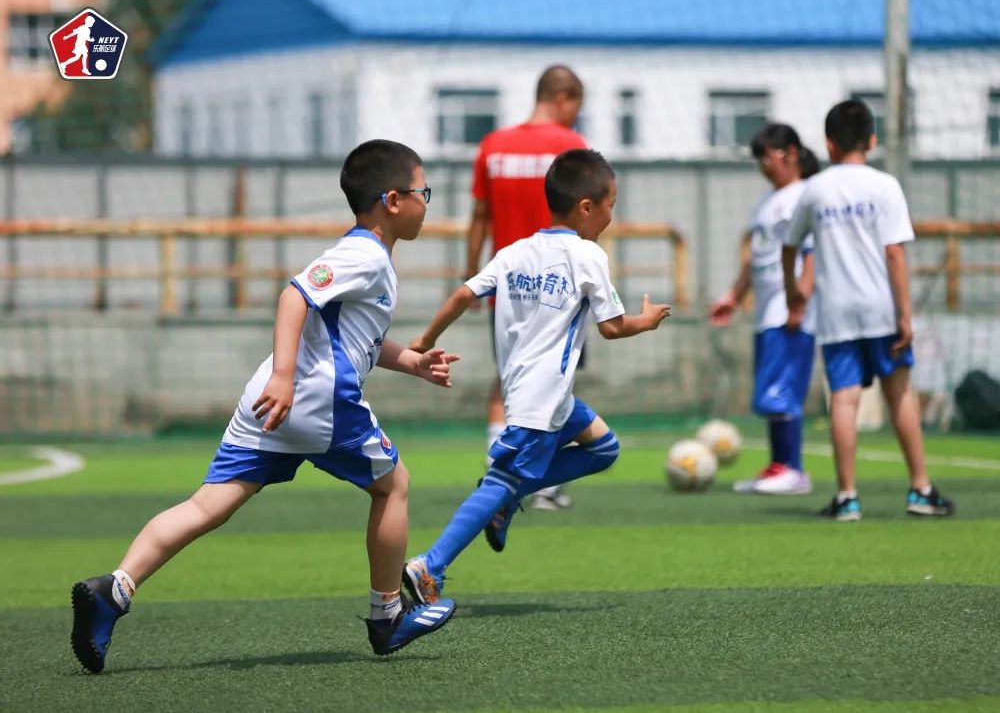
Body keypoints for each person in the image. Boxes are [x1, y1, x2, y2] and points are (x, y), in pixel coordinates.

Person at [69, 140, 458, 673]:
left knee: (207, 505)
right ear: (393, 200)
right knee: (394, 486)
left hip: (272, 402)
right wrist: (284, 375)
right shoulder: (365, 254)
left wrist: (410, 362)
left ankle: (113, 590)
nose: (425, 203)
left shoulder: (367, 256)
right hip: (315, 400)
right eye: (423, 192)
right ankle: (387, 617)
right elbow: (294, 296)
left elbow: (352, 335)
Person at [401, 149, 670, 603]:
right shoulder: (588, 255)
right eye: (611, 205)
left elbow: (463, 294)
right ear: (587, 207)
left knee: (604, 448)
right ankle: (431, 565)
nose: (612, 215)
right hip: (540, 399)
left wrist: (425, 339)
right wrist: (646, 320)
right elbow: (611, 327)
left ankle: (506, 498)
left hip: (540, 392)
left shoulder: (514, 251)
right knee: (501, 480)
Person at [782, 100, 955, 520]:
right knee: (900, 394)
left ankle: (847, 497)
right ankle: (920, 489)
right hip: (881, 308)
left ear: (828, 143)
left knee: (844, 401)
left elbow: (789, 245)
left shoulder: (815, 189)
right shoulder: (885, 186)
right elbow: (894, 253)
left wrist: (793, 293)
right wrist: (905, 315)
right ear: (872, 140)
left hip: (837, 311)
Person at [467, 64, 588, 510]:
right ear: (563, 98)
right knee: (554, 382)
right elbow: (585, 218)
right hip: (560, 285)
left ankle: (496, 475)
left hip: (508, 287)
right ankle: (542, 486)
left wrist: (472, 274)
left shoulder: (493, 147)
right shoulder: (572, 146)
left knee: (507, 380)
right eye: (576, 107)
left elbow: (479, 218)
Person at [709, 124, 820, 495]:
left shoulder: (805, 196)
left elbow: (813, 252)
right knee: (769, 391)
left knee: (780, 389)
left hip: (789, 307)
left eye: (767, 156)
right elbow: (756, 258)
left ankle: (793, 470)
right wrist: (733, 295)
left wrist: (800, 299)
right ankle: (778, 466)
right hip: (767, 308)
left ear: (791, 153)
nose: (762, 165)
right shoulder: (767, 202)